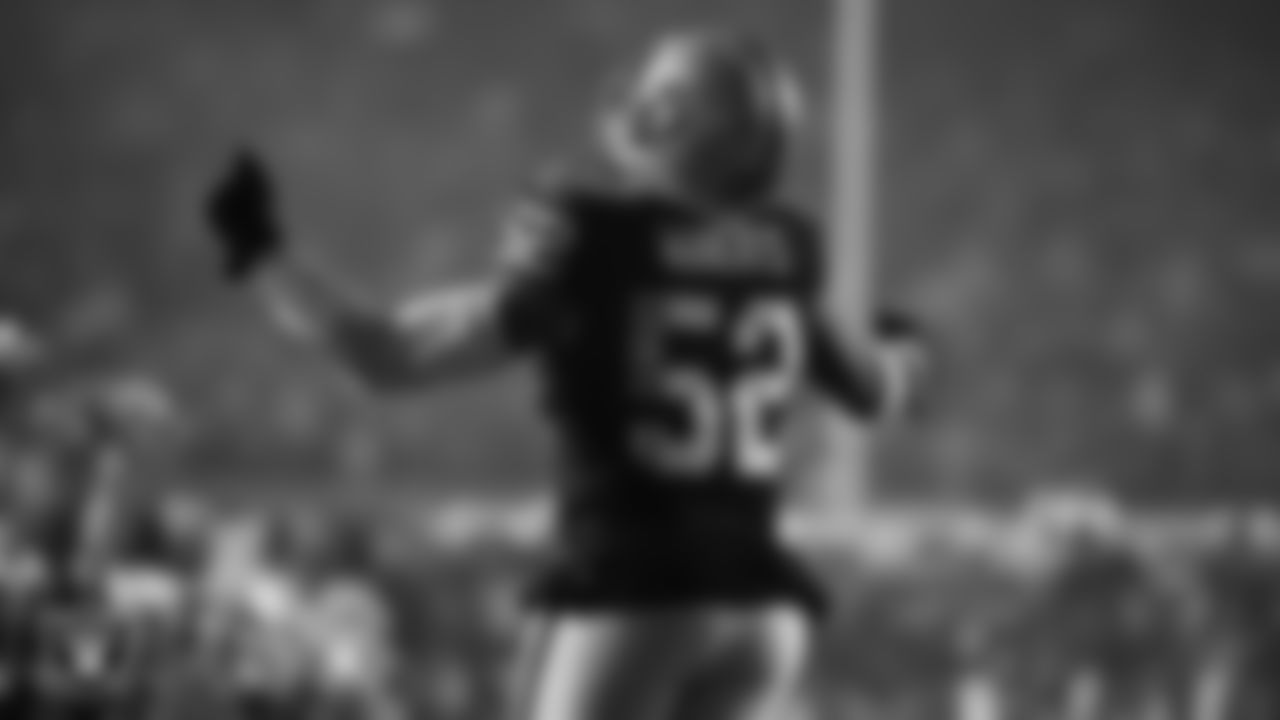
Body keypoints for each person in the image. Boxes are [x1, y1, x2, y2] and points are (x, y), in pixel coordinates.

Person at [205, 28, 931, 720]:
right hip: (767, 615)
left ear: (681, 121)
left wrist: (263, 257)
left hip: (638, 596)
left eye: (661, 91)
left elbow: (385, 353)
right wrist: (905, 343)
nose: (642, 104)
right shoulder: (789, 248)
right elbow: (878, 389)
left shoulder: (591, 239)